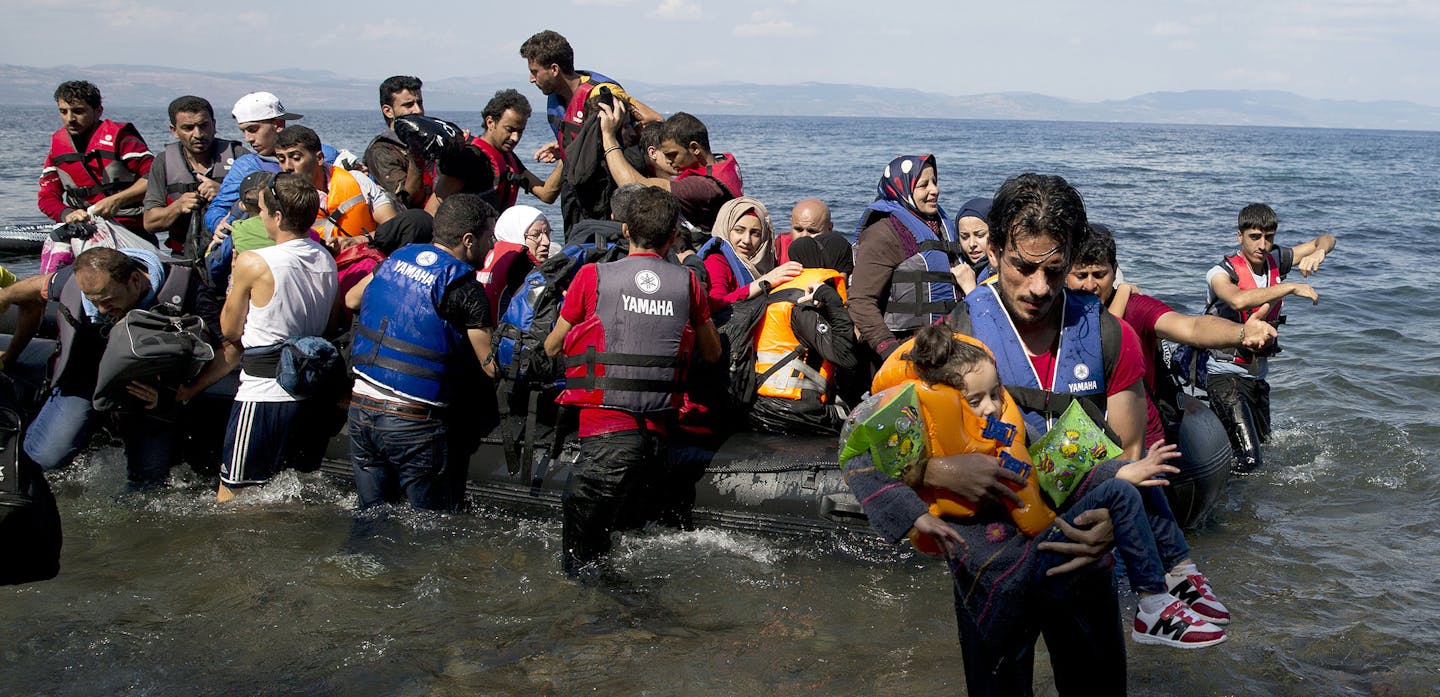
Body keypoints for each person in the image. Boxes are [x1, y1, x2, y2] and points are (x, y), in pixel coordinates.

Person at [847, 326, 1231, 655]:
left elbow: (1051, 473)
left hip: (1044, 544)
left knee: (1129, 485)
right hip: (989, 572)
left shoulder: (1003, 427)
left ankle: (1160, 595)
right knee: (998, 675)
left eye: (995, 394)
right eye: (975, 400)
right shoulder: (913, 429)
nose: (993, 408)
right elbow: (860, 463)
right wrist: (924, 484)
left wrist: (1124, 469)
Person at [909, 172, 1148, 693]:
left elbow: (1132, 452)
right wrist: (942, 470)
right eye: (1023, 266)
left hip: (1083, 560)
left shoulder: (1111, 335)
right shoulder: (958, 333)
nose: (1038, 287)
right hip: (990, 563)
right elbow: (897, 453)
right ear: (992, 251)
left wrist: (1113, 522)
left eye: (1055, 270)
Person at [542, 186, 721, 575]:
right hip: (656, 436)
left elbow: (553, 346)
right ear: (673, 236)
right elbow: (712, 353)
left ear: (625, 231)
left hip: (604, 435)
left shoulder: (592, 276)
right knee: (627, 543)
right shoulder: (689, 283)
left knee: (581, 563)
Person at [0, 247, 223, 486]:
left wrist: (187, 392)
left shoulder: (187, 289)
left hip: (149, 391)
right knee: (44, 461)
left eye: (107, 300)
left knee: (149, 484)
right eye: (93, 301)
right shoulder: (76, 280)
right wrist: (5, 302)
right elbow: (35, 289)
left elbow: (229, 349)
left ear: (135, 280)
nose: (102, 310)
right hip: (86, 380)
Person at [345, 194, 499, 510]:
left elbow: (352, 299)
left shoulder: (397, 258)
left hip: (361, 409)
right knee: (430, 530)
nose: (492, 244)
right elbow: (492, 367)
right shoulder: (466, 288)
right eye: (489, 236)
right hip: (413, 422)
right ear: (468, 240)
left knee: (372, 518)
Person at [1066, 223, 1279, 451]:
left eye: (1099, 275)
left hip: (1143, 445)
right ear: (1063, 271)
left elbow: (1192, 327)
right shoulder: (1052, 312)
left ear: (1114, 270)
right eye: (1081, 275)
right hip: (1079, 441)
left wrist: (1241, 333)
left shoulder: (1136, 308)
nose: (1090, 285)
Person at [213, 173, 338, 502]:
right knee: (287, 494)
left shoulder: (256, 261)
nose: (260, 216)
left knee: (232, 496)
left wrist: (234, 281)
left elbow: (229, 329)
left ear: (277, 217)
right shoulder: (326, 259)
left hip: (263, 393)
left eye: (263, 210)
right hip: (309, 394)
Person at [1199, 204, 1335, 472]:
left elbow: (1327, 238)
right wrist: (1290, 287)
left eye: (1269, 237)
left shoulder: (1276, 259)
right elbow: (1238, 300)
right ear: (1240, 236)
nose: (1263, 245)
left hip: (1257, 378)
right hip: (1225, 376)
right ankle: (1230, 510)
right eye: (1254, 237)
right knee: (1250, 460)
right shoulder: (1221, 273)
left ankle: (1254, 506)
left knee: (1265, 448)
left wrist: (1319, 251)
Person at [849, 155, 962, 360]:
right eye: (923, 185)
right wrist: (890, 351)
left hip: (946, 346)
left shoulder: (939, 226)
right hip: (905, 349)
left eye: (935, 182)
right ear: (902, 188)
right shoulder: (884, 233)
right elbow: (861, 301)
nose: (934, 190)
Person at [747, 235, 857, 436]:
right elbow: (846, 358)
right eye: (847, 272)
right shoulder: (805, 304)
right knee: (862, 417)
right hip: (791, 411)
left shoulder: (780, 291)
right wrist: (834, 302)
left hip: (760, 404)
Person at [204, 91, 342, 234]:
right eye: (243, 131)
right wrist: (220, 225)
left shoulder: (328, 155)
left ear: (278, 124)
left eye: (253, 130)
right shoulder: (245, 167)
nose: (248, 139)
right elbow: (217, 210)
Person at [518, 29, 662, 164]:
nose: (531, 79)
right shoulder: (555, 97)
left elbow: (655, 119)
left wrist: (628, 138)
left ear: (555, 69)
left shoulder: (603, 93)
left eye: (535, 72)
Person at [38, 81, 154, 241]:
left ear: (98, 111)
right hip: (85, 230)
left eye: (78, 111)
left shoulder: (123, 139)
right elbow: (47, 196)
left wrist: (116, 200)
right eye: (63, 112)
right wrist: (67, 214)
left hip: (131, 229)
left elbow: (155, 177)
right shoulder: (58, 147)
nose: (70, 118)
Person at [599, 107, 743, 232]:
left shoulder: (704, 187)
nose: (668, 160)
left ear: (694, 148)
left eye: (673, 155)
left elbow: (632, 184)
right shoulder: (724, 161)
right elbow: (656, 119)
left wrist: (608, 136)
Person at [142, 96, 248, 255]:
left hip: (231, 255)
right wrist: (177, 207)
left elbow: (265, 209)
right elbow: (150, 222)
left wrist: (225, 193)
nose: (198, 134)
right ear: (174, 131)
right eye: (188, 128)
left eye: (204, 125)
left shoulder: (240, 157)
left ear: (214, 125)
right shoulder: (163, 162)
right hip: (183, 258)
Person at [433, 89, 561, 212]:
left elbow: (546, 194)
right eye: (509, 129)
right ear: (490, 122)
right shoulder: (468, 157)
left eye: (520, 131)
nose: (515, 138)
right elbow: (434, 207)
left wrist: (566, 154)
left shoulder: (508, 159)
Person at [273, 126, 397, 240]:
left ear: (319, 158)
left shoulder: (358, 180)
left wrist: (360, 240)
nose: (287, 167)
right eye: (281, 159)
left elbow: (393, 227)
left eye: (296, 158)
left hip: (369, 256)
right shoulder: (281, 200)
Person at [700, 197, 800, 316]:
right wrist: (762, 283)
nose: (747, 240)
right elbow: (715, 305)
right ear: (726, 228)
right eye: (739, 230)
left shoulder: (766, 262)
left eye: (755, 233)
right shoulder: (716, 260)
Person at [362, 76, 432, 210]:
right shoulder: (381, 151)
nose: (418, 110)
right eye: (408, 105)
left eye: (420, 103)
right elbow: (407, 201)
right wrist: (416, 160)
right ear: (388, 111)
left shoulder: (429, 139)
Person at [478, 205, 554, 314]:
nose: (546, 242)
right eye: (536, 235)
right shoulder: (520, 266)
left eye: (547, 233)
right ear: (516, 234)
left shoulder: (485, 255)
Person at [777, 198, 852, 273]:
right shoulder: (778, 249)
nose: (804, 236)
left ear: (829, 228)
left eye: (812, 231)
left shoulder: (841, 255)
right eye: (798, 229)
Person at [952, 197, 993, 294]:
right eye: (964, 237)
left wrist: (970, 288)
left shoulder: (1004, 272)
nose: (972, 244)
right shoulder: (960, 265)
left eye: (980, 235)